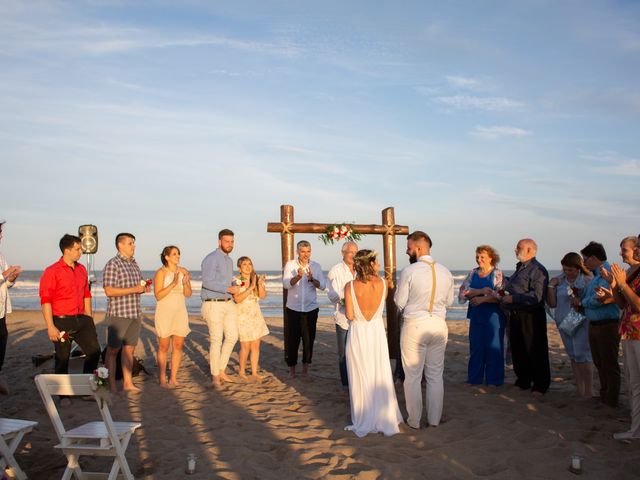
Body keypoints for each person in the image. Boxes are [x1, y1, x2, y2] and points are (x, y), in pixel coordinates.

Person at [394, 231, 454, 428]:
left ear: (419, 247)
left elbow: (399, 301)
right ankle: (434, 420)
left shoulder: (410, 271)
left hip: (415, 325)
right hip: (438, 325)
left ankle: (414, 421)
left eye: (409, 247)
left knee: (412, 376)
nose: (407, 251)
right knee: (435, 375)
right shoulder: (445, 271)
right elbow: (450, 302)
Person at [344, 249, 403, 436]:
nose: (378, 265)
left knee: (360, 375)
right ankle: (383, 416)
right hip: (376, 333)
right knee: (379, 372)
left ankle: (364, 417)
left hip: (358, 333)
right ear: (369, 264)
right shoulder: (384, 284)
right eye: (376, 262)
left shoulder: (350, 286)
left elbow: (349, 315)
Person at [39, 234, 100, 405]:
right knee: (63, 357)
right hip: (62, 320)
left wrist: (89, 317)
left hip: (82, 319)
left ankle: (88, 389)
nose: (81, 251)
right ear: (67, 250)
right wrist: (50, 326)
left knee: (94, 351)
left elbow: (86, 294)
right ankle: (63, 395)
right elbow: (46, 300)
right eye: (77, 249)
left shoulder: (81, 269)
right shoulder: (52, 271)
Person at [501, 239, 550, 397]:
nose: (515, 250)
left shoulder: (538, 269)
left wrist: (514, 299)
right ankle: (523, 380)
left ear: (530, 250)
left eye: (519, 248)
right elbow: (515, 287)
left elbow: (537, 296)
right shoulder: (520, 267)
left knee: (535, 349)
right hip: (515, 314)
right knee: (518, 348)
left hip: (532, 315)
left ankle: (540, 385)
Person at [602, 235, 640, 440]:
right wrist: (614, 283)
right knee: (634, 382)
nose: (621, 253)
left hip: (639, 332)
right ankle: (635, 429)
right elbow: (622, 304)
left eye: (624, 249)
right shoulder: (629, 272)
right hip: (628, 331)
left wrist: (623, 285)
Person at [103, 232, 150, 394]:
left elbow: (137, 287)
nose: (133, 246)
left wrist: (143, 288)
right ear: (120, 245)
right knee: (113, 350)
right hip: (119, 313)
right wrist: (135, 289)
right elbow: (109, 290)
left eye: (133, 243)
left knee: (129, 349)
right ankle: (111, 385)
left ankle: (128, 383)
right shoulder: (113, 264)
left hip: (134, 313)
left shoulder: (134, 264)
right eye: (130, 243)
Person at [579, 241, 621, 408]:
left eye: (586, 259)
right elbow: (594, 298)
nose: (584, 263)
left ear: (594, 258)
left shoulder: (607, 273)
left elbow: (599, 300)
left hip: (607, 324)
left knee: (609, 362)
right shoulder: (597, 275)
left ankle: (611, 399)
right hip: (595, 324)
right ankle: (604, 394)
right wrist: (586, 302)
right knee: (599, 361)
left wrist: (584, 302)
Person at [546, 252, 593, 398]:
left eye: (570, 270)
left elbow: (589, 302)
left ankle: (589, 390)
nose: (567, 273)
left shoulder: (586, 280)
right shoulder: (560, 281)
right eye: (565, 269)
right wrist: (551, 286)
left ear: (578, 268)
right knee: (573, 355)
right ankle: (579, 388)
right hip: (563, 321)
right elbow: (552, 303)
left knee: (583, 355)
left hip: (580, 321)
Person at [459, 245, 506, 386]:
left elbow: (500, 295)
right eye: (477, 257)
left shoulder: (497, 273)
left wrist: (482, 298)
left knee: (494, 347)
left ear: (491, 258)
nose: (479, 259)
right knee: (476, 347)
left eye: (482, 257)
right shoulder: (473, 273)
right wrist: (481, 291)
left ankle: (494, 381)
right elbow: (462, 295)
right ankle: (474, 379)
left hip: (493, 316)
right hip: (476, 315)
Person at [201, 229, 240, 388]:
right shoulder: (211, 258)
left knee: (232, 336)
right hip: (213, 303)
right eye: (226, 241)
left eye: (232, 242)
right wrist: (227, 288)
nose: (230, 244)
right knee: (216, 340)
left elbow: (226, 283)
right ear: (219, 242)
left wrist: (235, 286)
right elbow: (207, 282)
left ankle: (221, 369)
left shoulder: (229, 261)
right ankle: (215, 375)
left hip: (228, 303)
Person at [282, 240, 326, 379]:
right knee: (292, 340)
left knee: (308, 341)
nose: (306, 254)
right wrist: (298, 276)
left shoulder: (316, 266)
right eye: (303, 251)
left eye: (308, 251)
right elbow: (286, 284)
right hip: (293, 309)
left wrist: (312, 279)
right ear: (297, 252)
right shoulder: (290, 265)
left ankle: (305, 370)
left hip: (310, 309)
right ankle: (292, 370)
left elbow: (323, 286)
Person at [154, 246, 192, 388]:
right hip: (165, 311)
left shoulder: (183, 271)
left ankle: (173, 378)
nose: (178, 256)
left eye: (178, 254)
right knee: (164, 345)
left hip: (180, 311)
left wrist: (185, 282)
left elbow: (188, 294)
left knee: (178, 345)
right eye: (174, 254)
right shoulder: (160, 272)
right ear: (167, 257)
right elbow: (158, 295)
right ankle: (162, 378)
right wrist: (173, 283)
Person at [326, 241, 358, 388]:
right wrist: (347, 295)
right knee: (344, 353)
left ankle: (357, 382)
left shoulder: (361, 269)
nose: (354, 255)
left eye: (355, 252)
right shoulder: (335, 271)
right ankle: (346, 385)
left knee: (358, 351)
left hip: (360, 319)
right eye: (350, 252)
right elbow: (331, 295)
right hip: (343, 318)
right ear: (343, 253)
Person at [233, 256, 268, 381]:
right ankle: (242, 371)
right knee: (245, 346)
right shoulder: (238, 280)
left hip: (255, 314)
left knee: (255, 346)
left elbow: (263, 296)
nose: (248, 267)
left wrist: (259, 284)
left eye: (250, 264)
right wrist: (251, 287)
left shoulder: (255, 278)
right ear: (239, 268)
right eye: (244, 264)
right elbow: (237, 299)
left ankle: (254, 372)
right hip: (242, 315)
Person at [0, 220, 21, 394]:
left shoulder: (0, 256)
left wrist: (12, 278)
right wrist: (4, 274)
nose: (1, 236)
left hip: (1, 310)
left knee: (2, 338)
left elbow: (5, 285)